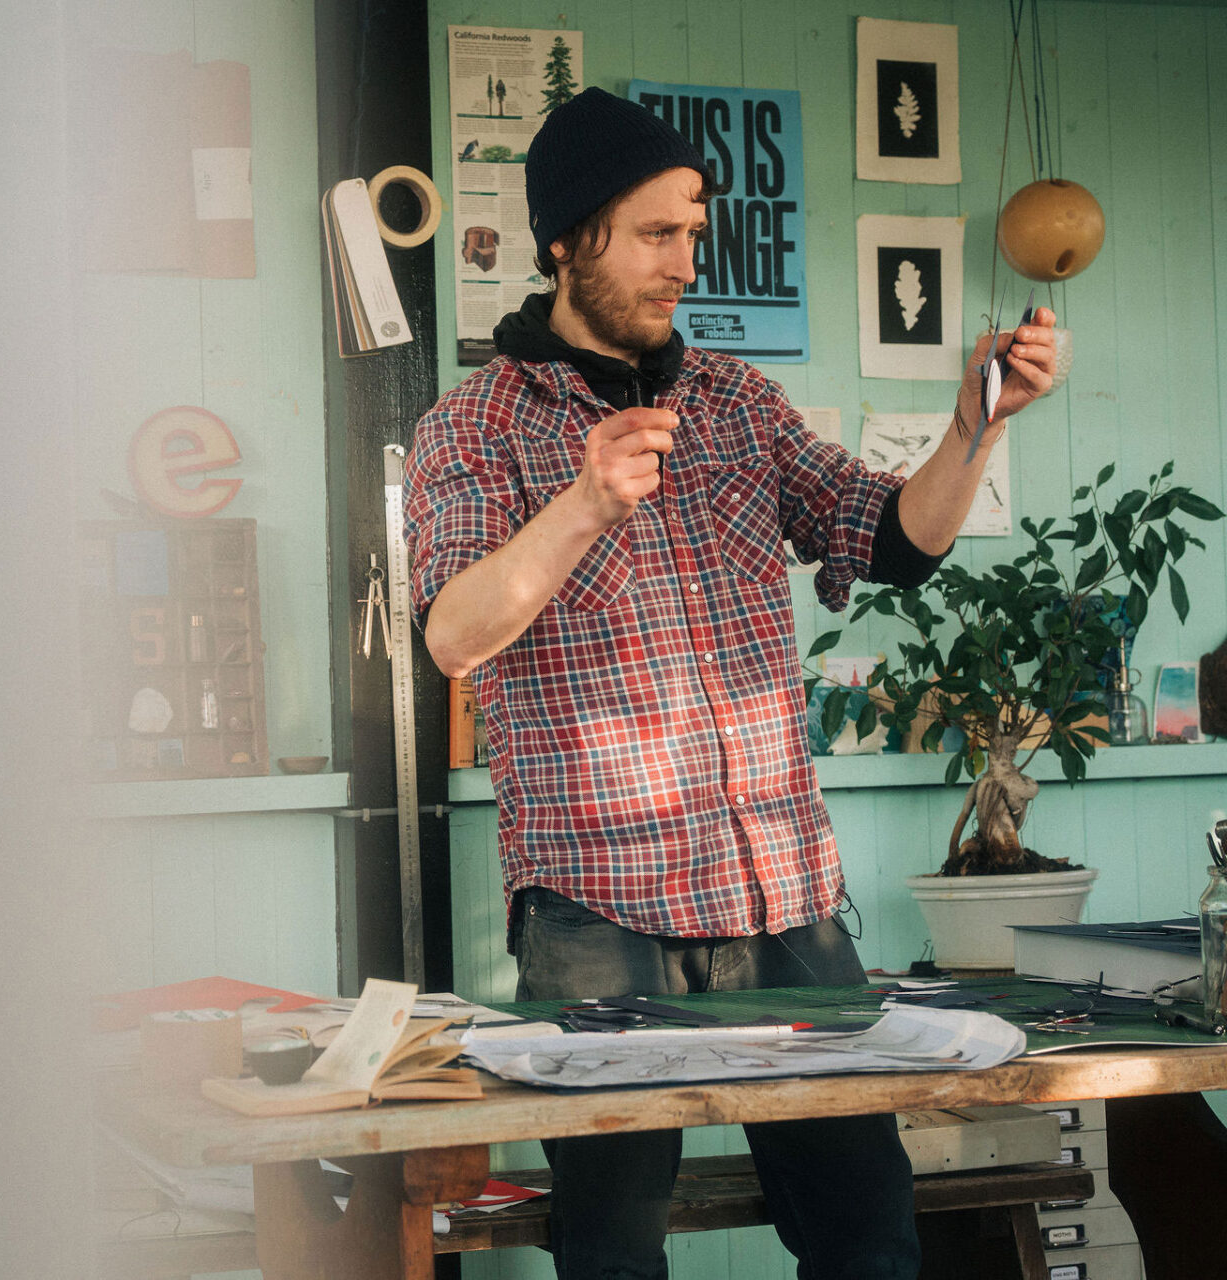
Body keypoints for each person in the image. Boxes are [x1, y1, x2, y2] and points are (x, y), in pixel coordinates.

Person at [403, 87, 1055, 1280]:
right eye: (656, 233)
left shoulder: (739, 405)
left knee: (868, 1229)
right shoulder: (475, 427)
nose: (682, 262)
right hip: (598, 912)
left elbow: (887, 537)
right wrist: (586, 499)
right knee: (615, 1254)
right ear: (567, 238)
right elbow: (453, 634)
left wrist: (979, 425)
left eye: (692, 233)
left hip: (783, 897)